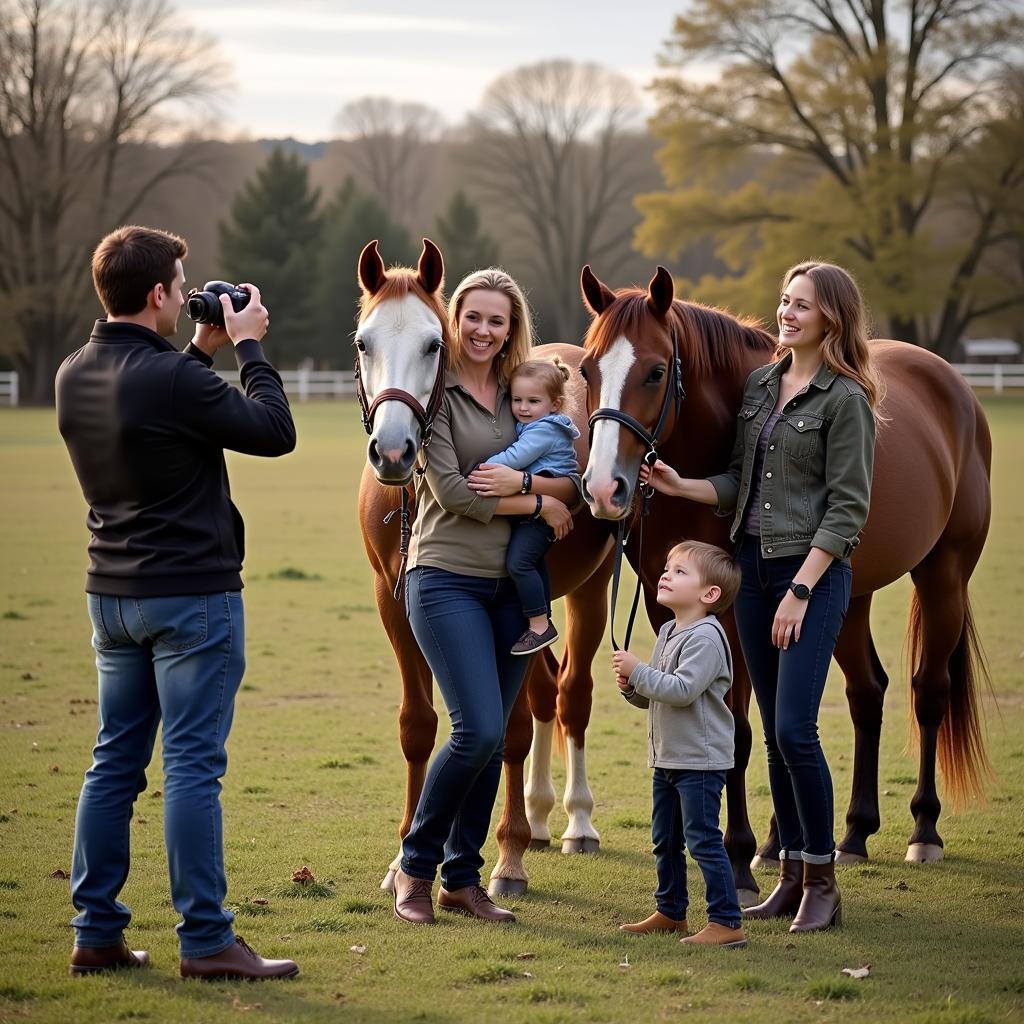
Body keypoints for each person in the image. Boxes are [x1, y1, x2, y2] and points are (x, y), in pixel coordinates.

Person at [56, 225, 299, 979]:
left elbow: (162, 406)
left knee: (113, 765)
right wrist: (250, 346)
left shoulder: (74, 372)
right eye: (182, 280)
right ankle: (206, 941)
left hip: (113, 597)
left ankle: (95, 932)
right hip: (191, 599)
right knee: (193, 768)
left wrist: (200, 347)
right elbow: (274, 431)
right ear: (160, 293)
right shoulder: (171, 380)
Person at [642, 261, 879, 933]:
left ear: (832, 316)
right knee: (772, 736)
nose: (788, 313)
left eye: (802, 305)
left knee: (796, 731)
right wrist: (682, 485)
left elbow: (848, 509)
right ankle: (790, 879)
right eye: (784, 301)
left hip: (810, 578)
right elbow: (738, 482)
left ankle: (824, 885)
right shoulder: (762, 386)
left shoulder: (846, 399)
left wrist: (802, 589)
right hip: (752, 572)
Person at [393, 268, 577, 925]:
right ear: (455, 318)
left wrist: (553, 496)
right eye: (473, 316)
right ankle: (416, 868)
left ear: (511, 328)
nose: (482, 330)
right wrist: (534, 501)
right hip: (442, 576)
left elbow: (573, 484)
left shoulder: (528, 392)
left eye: (497, 320)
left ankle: (462, 880)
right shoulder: (433, 394)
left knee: (496, 735)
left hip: (513, 587)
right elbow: (455, 496)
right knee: (473, 728)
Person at [613, 541, 747, 948]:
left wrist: (638, 672)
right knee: (665, 839)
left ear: (709, 595)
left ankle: (726, 921)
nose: (666, 574)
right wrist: (631, 687)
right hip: (668, 756)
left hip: (700, 762)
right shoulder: (670, 630)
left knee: (703, 839)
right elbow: (658, 691)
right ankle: (671, 911)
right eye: (667, 568)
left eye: (680, 571)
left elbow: (684, 689)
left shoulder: (706, 636)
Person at [480, 356, 579, 655]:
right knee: (533, 561)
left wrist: (482, 468)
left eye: (533, 401)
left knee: (518, 563)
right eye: (517, 399)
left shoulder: (544, 430)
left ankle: (539, 624)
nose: (523, 408)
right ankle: (540, 617)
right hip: (532, 511)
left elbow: (514, 458)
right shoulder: (535, 423)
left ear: (555, 404)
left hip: (538, 516)